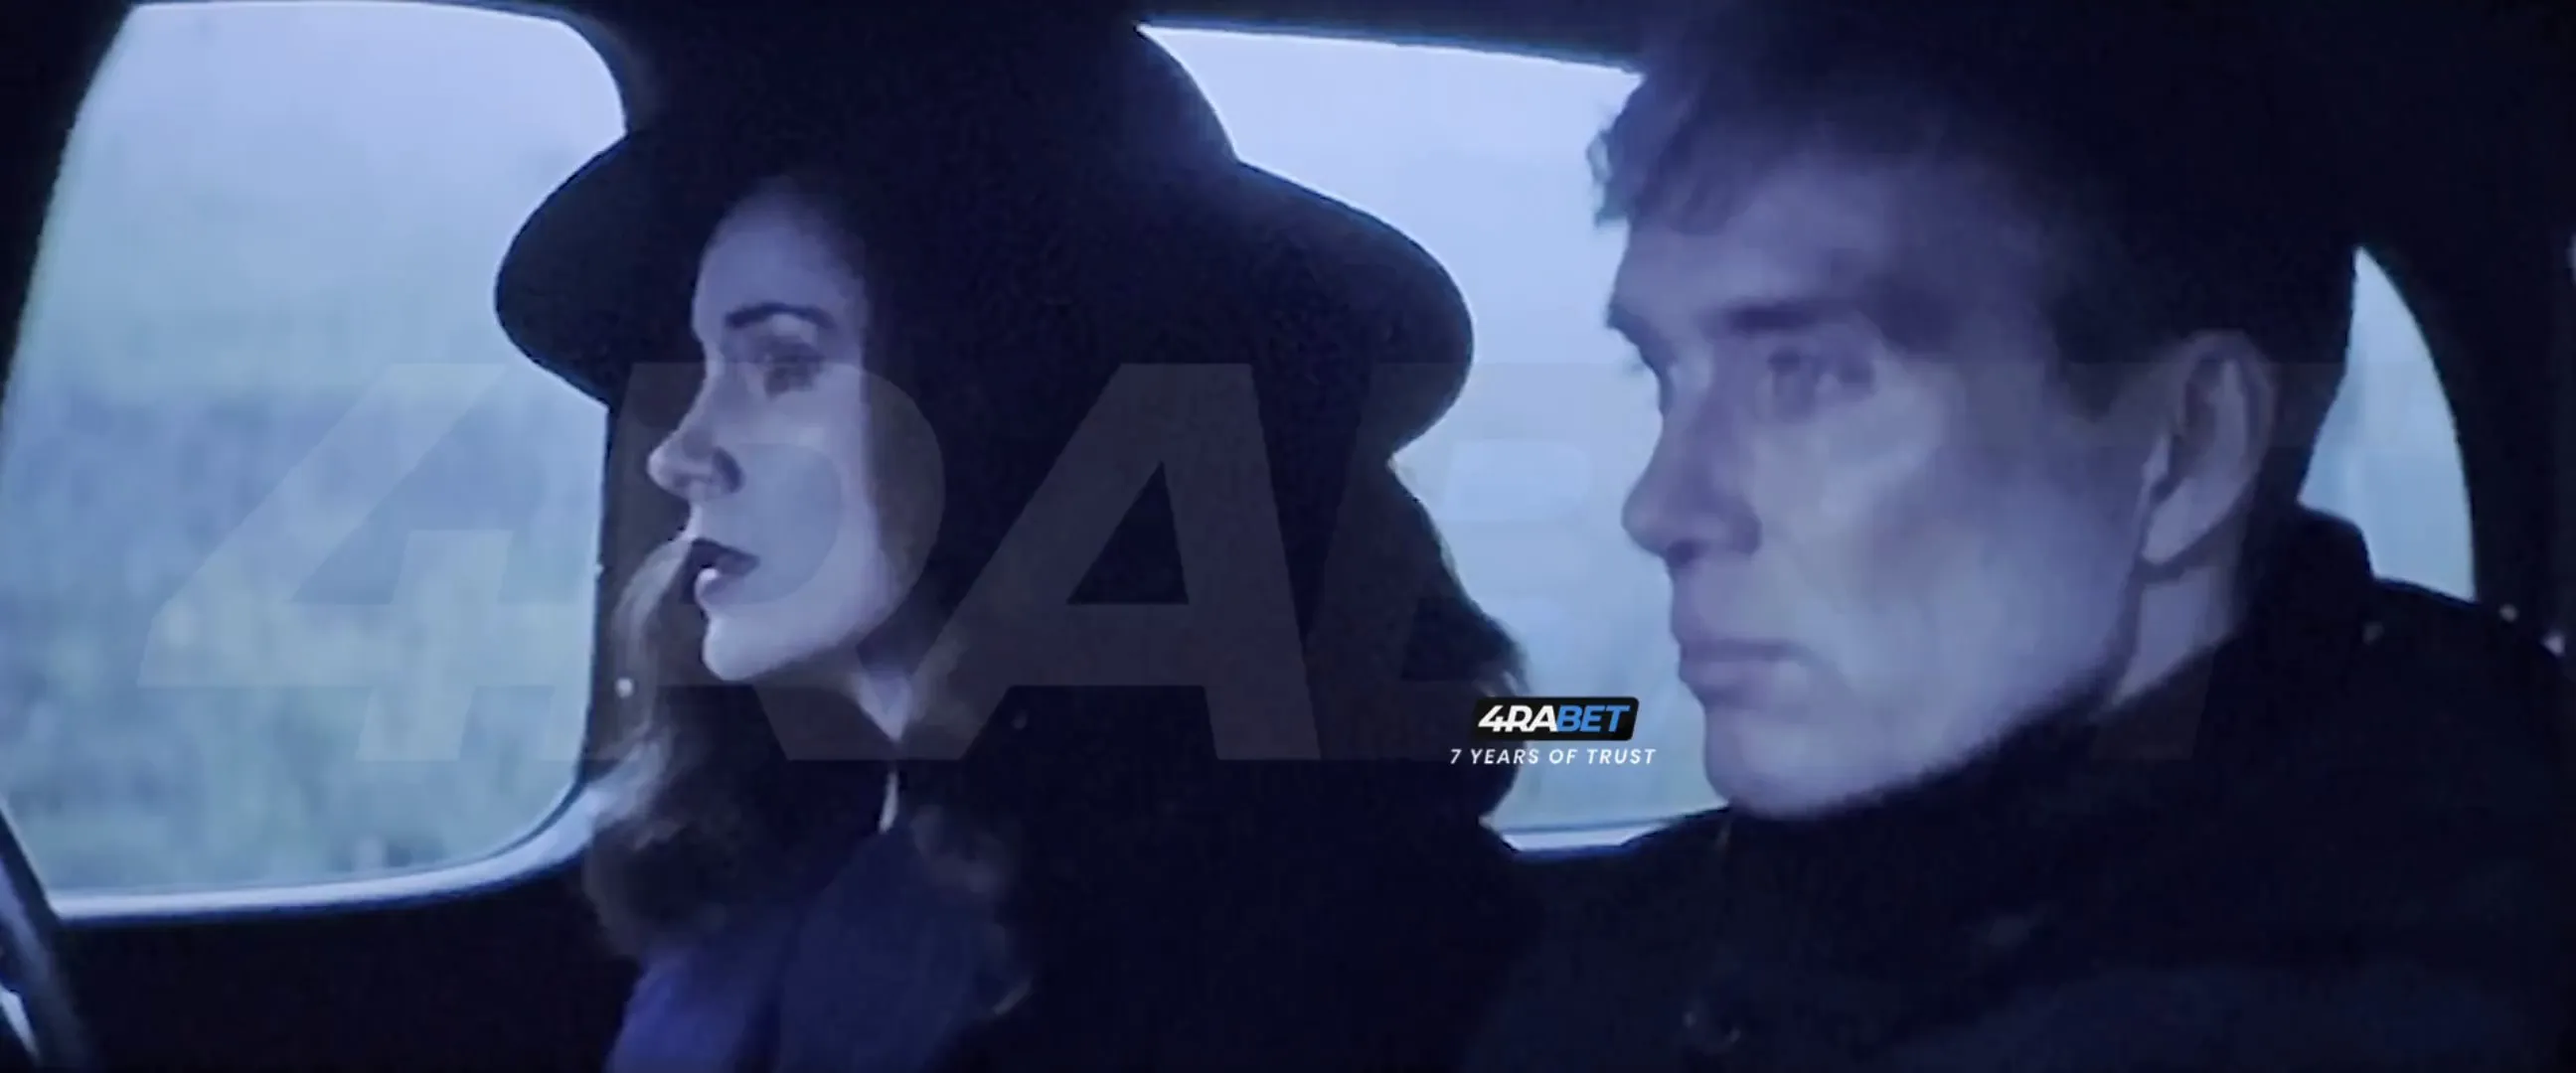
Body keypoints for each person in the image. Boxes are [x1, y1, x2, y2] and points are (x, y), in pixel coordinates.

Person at [1467, 2, 2575, 1069]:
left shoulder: (2356, 1019)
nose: (1662, 508)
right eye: (1666, 375)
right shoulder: (1693, 916)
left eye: (1805, 375)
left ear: (2187, 448)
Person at [493, 9, 1534, 1071]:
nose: (680, 455)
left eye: (785, 367)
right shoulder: (775, 854)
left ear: (1019, 410)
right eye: (701, 367)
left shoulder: (1331, 942)